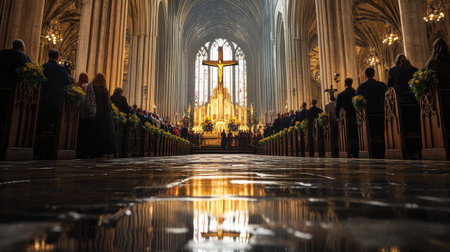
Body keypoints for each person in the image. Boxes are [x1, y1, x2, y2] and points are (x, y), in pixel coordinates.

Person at [0, 39, 31, 156]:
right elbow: (30, 73)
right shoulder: (23, 56)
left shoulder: (2, 54)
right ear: (22, 48)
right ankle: (10, 144)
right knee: (11, 119)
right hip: (16, 95)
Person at [38, 49, 72, 133]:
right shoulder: (61, 69)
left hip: (42, 101)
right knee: (55, 127)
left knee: (41, 125)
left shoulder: (42, 67)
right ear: (58, 57)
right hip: (56, 103)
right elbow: (68, 84)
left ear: (48, 56)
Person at [89, 73, 117, 157]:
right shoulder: (104, 89)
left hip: (93, 114)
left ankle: (93, 150)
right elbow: (108, 104)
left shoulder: (91, 88)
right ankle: (103, 151)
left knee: (94, 133)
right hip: (103, 115)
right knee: (104, 134)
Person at [336, 78, 358, 157]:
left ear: (345, 84)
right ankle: (356, 149)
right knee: (356, 134)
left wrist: (338, 117)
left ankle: (348, 149)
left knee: (347, 134)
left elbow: (337, 108)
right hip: (356, 118)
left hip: (345, 119)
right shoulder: (356, 93)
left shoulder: (341, 94)